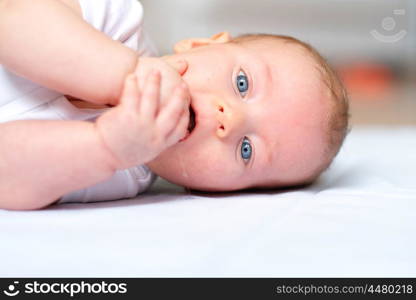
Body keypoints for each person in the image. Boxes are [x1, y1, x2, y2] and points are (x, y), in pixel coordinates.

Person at [0, 0, 349, 210]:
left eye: (247, 150)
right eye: (242, 83)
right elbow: (10, 19)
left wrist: (103, 148)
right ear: (198, 45)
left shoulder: (123, 174)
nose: (232, 119)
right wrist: (125, 73)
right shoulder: (117, 23)